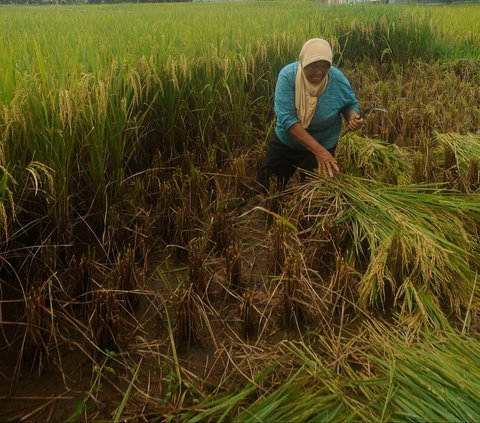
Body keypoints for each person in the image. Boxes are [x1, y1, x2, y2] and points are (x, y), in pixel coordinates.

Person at [258, 38, 364, 191]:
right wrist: (319, 151)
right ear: (303, 62)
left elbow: (349, 103)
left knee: (314, 194)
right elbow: (288, 120)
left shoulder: (336, 78)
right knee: (267, 187)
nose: (319, 72)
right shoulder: (288, 77)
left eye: (324, 66)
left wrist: (352, 116)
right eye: (313, 66)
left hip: (324, 141)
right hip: (287, 144)